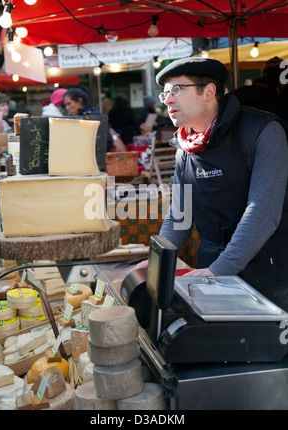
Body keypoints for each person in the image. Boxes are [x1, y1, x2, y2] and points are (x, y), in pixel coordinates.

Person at [138, 56, 288, 311]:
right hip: (211, 268)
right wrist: (159, 260)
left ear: (208, 92)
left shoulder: (264, 131)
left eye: (177, 90)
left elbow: (263, 211)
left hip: (266, 270)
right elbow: (180, 216)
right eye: (165, 94)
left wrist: (220, 269)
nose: (169, 100)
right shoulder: (185, 147)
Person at [63, 87, 113, 151]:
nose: (67, 108)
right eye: (66, 105)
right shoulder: (77, 117)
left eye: (69, 104)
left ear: (80, 100)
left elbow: (107, 142)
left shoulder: (94, 116)